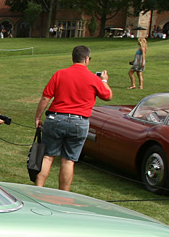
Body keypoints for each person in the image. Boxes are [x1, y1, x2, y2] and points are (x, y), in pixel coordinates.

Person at [34, 45, 112, 191]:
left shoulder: (60, 74)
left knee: (47, 156)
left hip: (56, 118)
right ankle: (64, 195)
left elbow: (46, 98)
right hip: (79, 121)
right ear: (87, 59)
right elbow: (108, 96)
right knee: (68, 160)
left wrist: (38, 117)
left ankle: (38, 189)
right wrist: (104, 81)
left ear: (73, 58)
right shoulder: (93, 78)